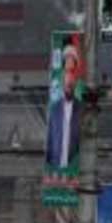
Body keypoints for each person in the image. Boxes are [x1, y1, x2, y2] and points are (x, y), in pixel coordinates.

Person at [45, 37, 81, 170]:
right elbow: (50, 138)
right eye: (66, 85)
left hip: (74, 166)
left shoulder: (80, 108)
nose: (68, 88)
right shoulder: (54, 109)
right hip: (55, 167)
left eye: (71, 85)